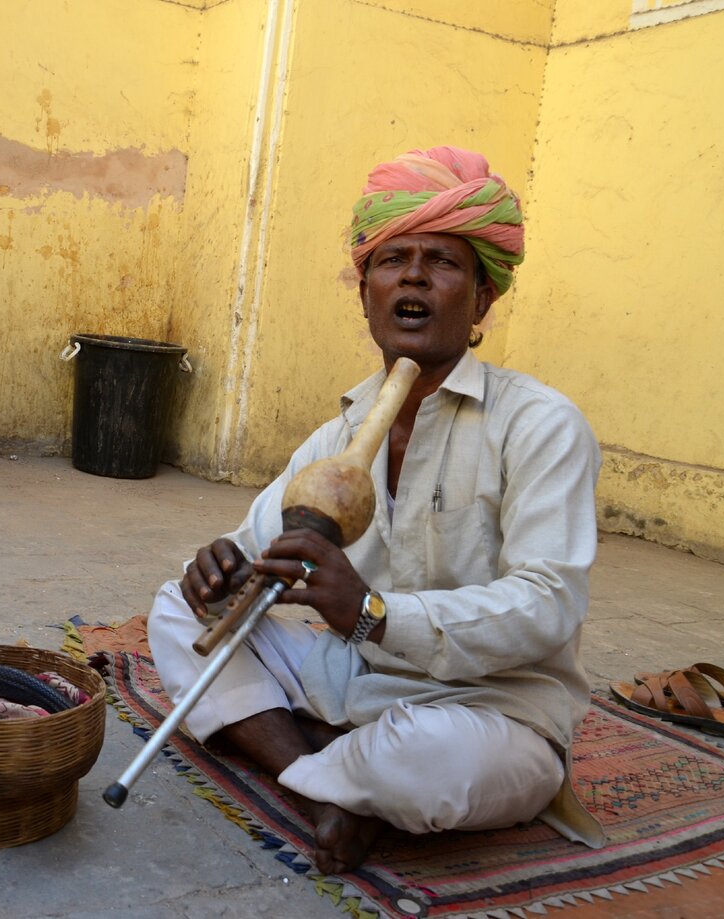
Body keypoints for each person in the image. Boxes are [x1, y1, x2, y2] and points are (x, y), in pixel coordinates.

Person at [146, 146, 605, 875]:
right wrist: (218, 568)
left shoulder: (542, 425)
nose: (414, 276)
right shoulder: (337, 437)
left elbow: (548, 603)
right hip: (352, 681)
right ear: (367, 295)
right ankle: (330, 789)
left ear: (483, 298)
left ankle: (313, 763)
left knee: (432, 761)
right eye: (392, 260)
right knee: (176, 611)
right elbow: (257, 545)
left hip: (491, 707)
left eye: (443, 262)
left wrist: (373, 612)